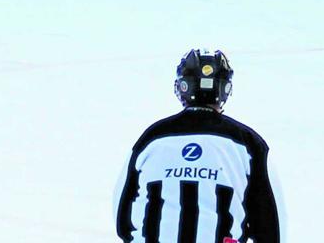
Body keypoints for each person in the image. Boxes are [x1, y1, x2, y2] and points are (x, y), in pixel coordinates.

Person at [114, 49, 286, 242]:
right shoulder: (249, 144)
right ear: (224, 90)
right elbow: (271, 228)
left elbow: (123, 218)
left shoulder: (151, 139)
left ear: (183, 87)